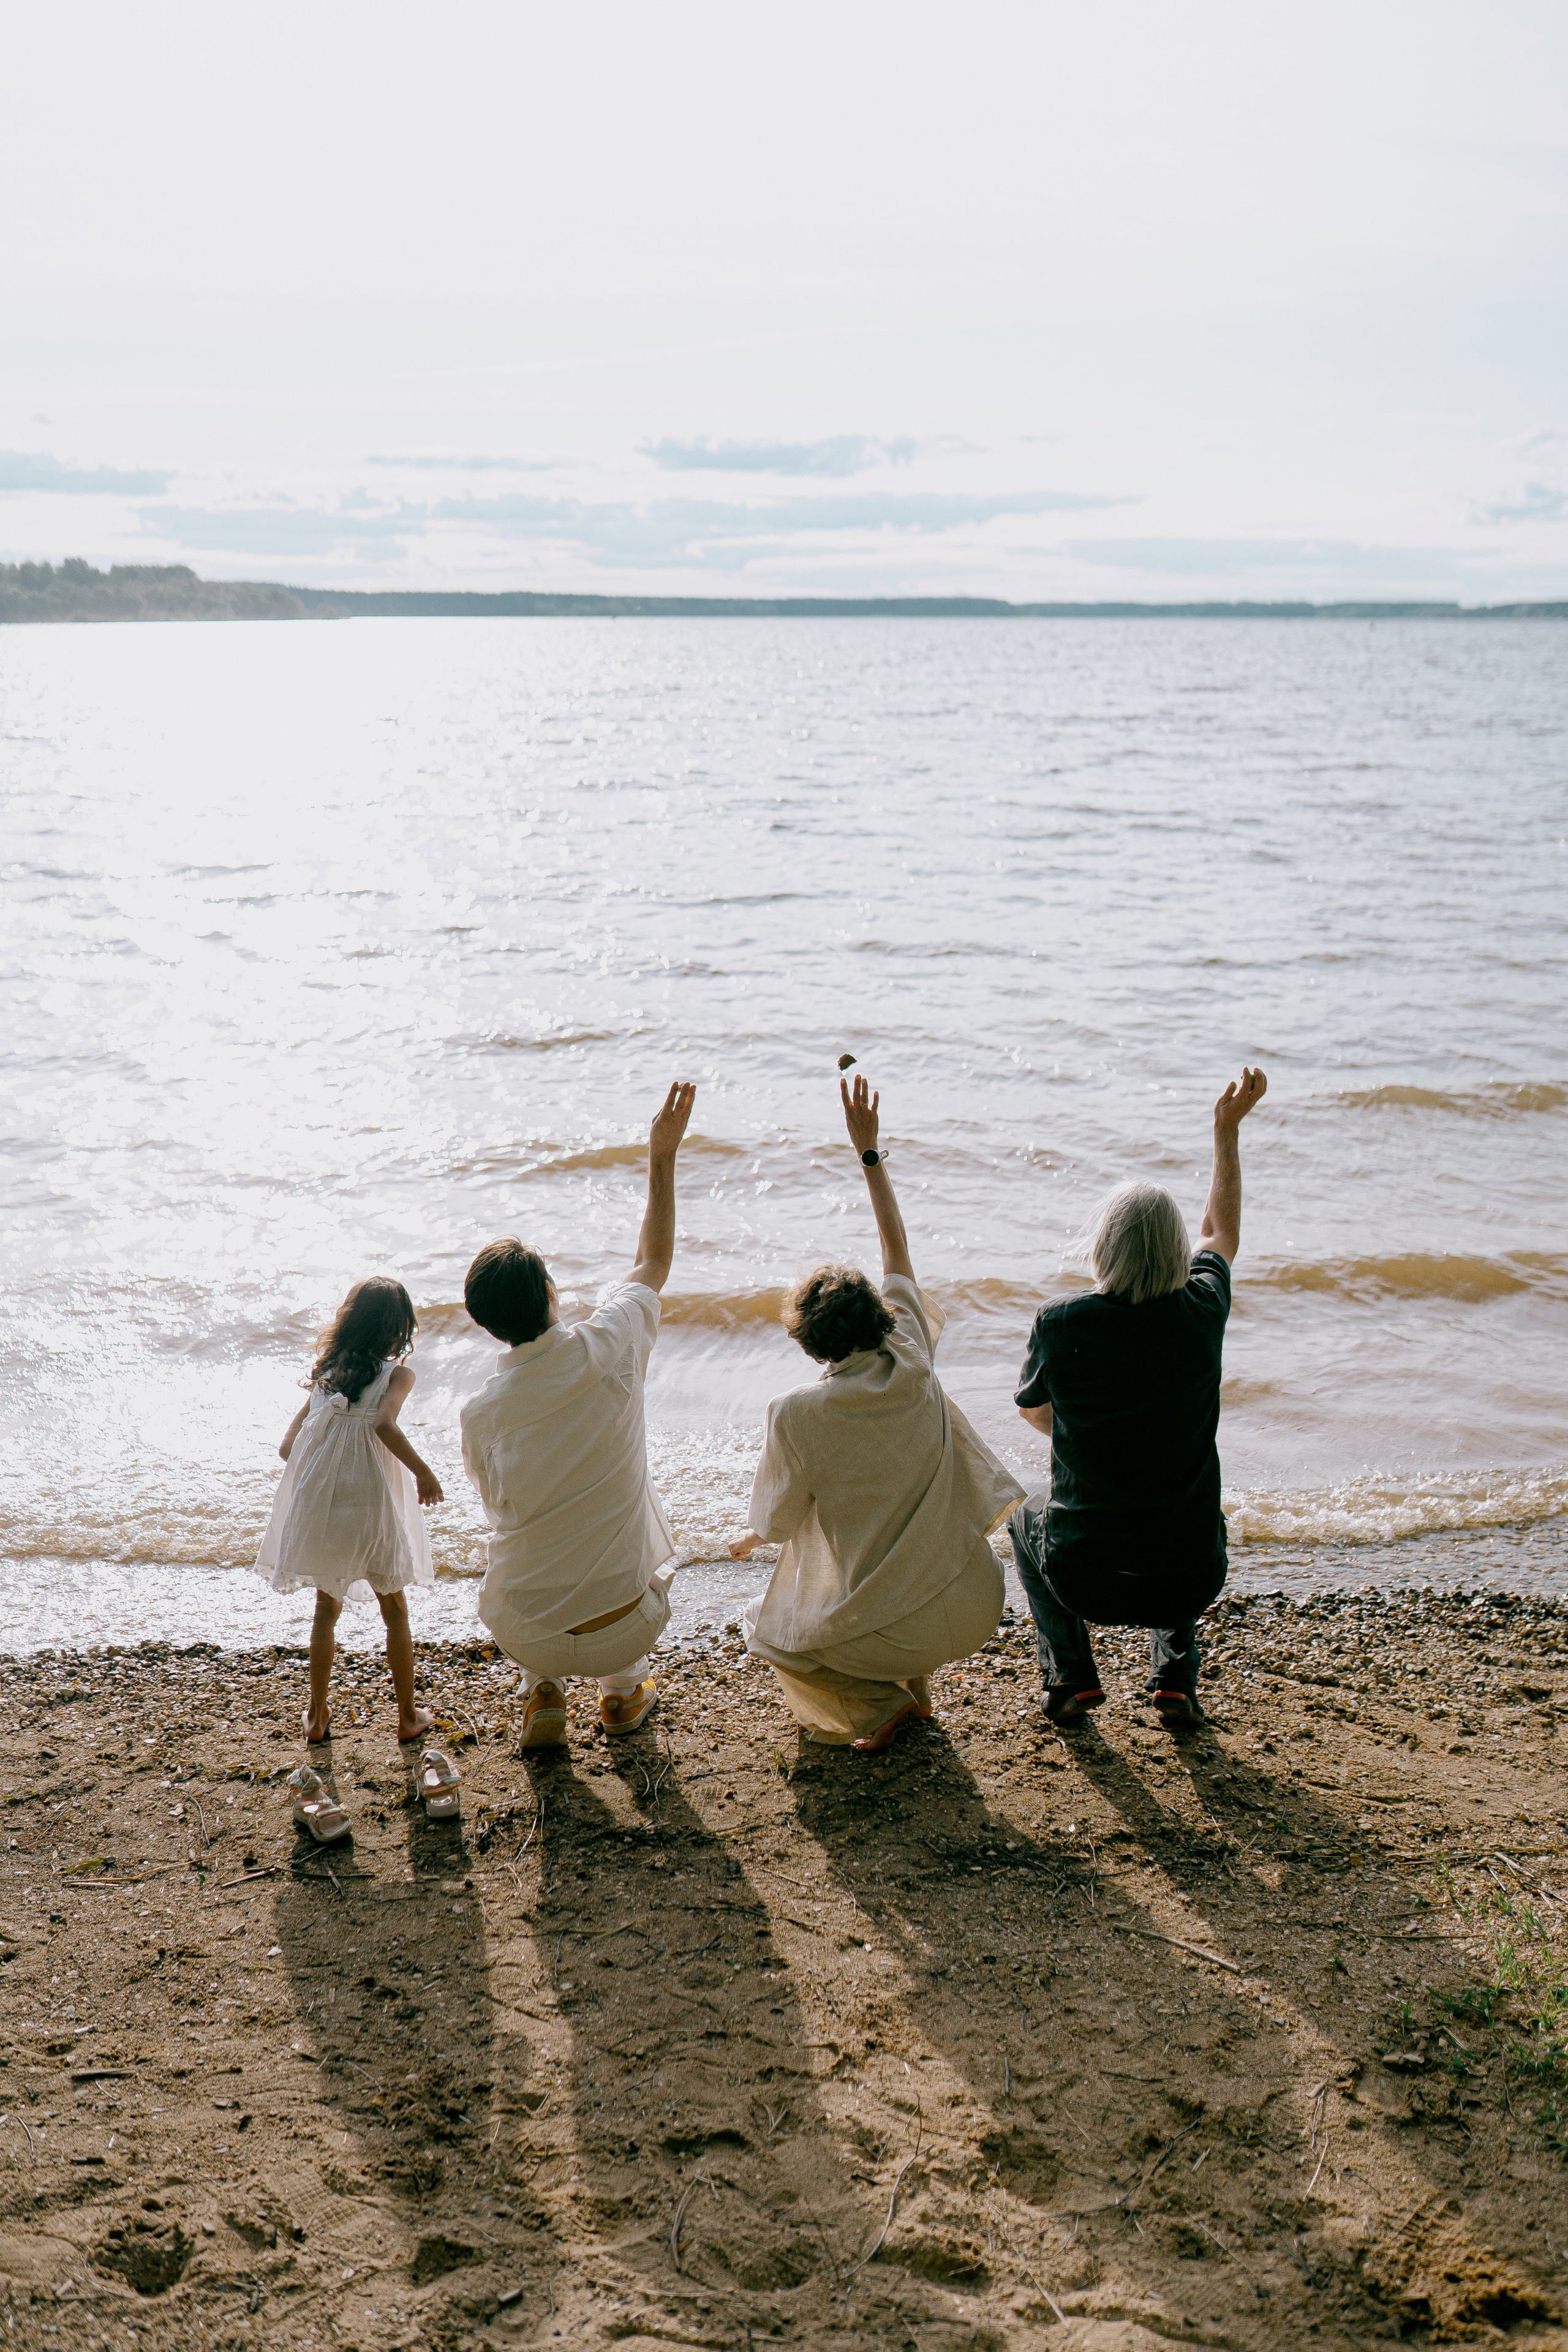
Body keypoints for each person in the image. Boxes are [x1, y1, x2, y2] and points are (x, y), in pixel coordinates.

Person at [729, 1075, 1025, 1753]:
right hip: (979, 1601)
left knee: (768, 1632)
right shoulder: (912, 1351)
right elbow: (897, 1252)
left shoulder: (797, 1413)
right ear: (879, 1317)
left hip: (907, 1620)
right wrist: (869, 1153)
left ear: (807, 1344)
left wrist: (756, 1535)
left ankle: (876, 1707)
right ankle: (916, 1693)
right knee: (893, 1540)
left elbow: (776, 1521)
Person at [1010, 1066, 1268, 1731]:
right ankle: (1174, 1681)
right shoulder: (1202, 1308)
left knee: (1023, 1519)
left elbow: (1034, 1411)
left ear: (1102, 1245)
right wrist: (1225, 1131)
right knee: (1179, 1498)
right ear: (1176, 1251)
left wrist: (1087, 1438)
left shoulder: (1060, 1321)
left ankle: (1070, 1678)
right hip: (1189, 1574)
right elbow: (1223, 1235)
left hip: (1085, 1575)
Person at [460, 1081, 696, 1748]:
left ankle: (541, 1687)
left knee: (523, 1538)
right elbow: (653, 1260)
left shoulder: (481, 1414)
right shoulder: (610, 1342)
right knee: (618, 1537)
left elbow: (501, 1512)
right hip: (628, 1624)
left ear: (486, 1325)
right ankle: (623, 1692)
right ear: (550, 1294)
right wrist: (662, 1154)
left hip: (523, 1629)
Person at [257, 1275, 445, 1750]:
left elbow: (286, 1448)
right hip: (368, 1500)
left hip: (322, 1500)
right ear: (398, 1331)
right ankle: (406, 1716)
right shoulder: (397, 1375)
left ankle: (317, 1715)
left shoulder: (326, 1376)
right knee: (394, 1607)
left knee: (326, 1608)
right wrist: (423, 1474)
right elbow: (383, 1425)